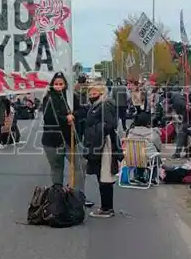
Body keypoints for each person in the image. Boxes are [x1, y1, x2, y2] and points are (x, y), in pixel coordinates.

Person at [41, 72, 85, 191]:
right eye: (56, 84)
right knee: (57, 168)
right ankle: (58, 196)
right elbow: (48, 116)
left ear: (65, 84)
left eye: (61, 84)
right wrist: (65, 118)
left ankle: (77, 194)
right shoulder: (48, 98)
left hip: (70, 139)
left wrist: (74, 116)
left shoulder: (71, 96)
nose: (59, 86)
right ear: (52, 85)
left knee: (79, 165)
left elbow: (82, 110)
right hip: (52, 140)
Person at [84, 84, 122, 217]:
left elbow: (110, 124)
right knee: (101, 174)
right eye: (90, 93)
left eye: (94, 92)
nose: (91, 95)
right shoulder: (97, 105)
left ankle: (107, 208)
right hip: (98, 143)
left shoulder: (105, 104)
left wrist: (95, 130)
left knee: (104, 174)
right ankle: (105, 207)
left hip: (105, 144)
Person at [124, 111, 162, 183]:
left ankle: (139, 175)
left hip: (132, 158)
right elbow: (159, 147)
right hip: (148, 159)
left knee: (139, 153)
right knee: (156, 156)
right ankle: (153, 177)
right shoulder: (152, 133)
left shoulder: (130, 132)